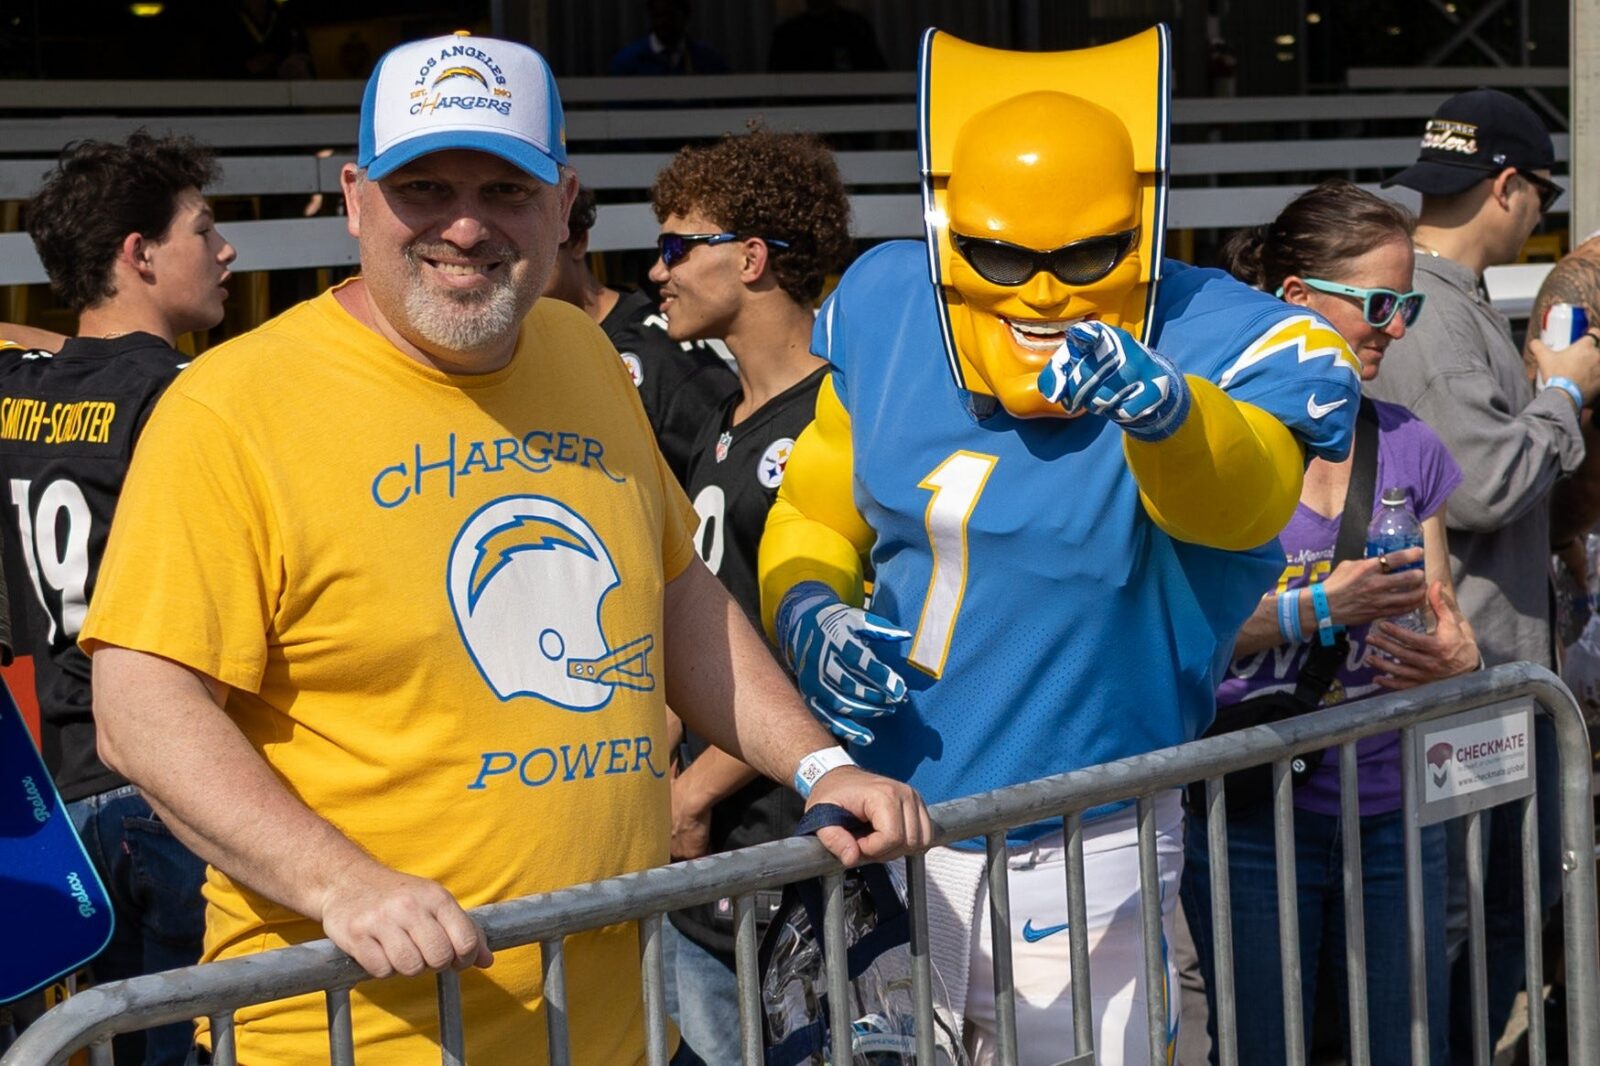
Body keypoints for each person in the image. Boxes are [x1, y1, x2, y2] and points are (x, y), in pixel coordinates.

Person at [78, 33, 929, 1065]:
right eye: (423, 187)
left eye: (506, 189)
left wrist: (820, 764)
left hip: (613, 1028)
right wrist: (341, 883)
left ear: (562, 205)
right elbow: (142, 708)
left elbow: (675, 595)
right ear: (354, 199)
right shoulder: (232, 408)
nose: (466, 225)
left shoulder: (580, 354)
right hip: (358, 1035)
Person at [756, 28, 1362, 1064]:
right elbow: (817, 504)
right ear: (950, 236)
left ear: (1140, 229)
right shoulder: (889, 303)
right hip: (885, 824)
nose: (1041, 293)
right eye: (1001, 257)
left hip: (1083, 839)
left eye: (1083, 257)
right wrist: (808, 606)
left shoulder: (1228, 334)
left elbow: (1249, 498)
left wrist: (1173, 416)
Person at [1181, 179, 1481, 1066]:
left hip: (1389, 807)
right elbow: (1186, 633)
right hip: (1247, 809)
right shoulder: (1214, 446)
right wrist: (1319, 606)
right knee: (1267, 1044)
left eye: (1408, 306)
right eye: (1380, 305)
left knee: (1404, 1041)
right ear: (1296, 298)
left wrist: (1456, 658)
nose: (1396, 328)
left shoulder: (1409, 443)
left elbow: (1441, 620)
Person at [1362, 88, 1600, 1062]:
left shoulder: (1446, 305)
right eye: (1543, 194)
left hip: (1490, 676)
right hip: (1461, 681)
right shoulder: (1431, 317)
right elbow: (1485, 483)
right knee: (1459, 921)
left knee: (1496, 912)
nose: (1541, 214)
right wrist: (1563, 390)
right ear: (1507, 185)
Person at [4, 131, 235, 1066]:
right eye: (203, 231)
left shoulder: (17, 393)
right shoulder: (193, 399)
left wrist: (69, 346)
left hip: (67, 794)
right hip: (179, 782)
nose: (226, 252)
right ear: (138, 253)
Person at [642, 128, 854, 1062]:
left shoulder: (840, 419)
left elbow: (823, 650)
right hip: (705, 852)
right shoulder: (719, 419)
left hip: (782, 847)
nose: (658, 271)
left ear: (753, 257)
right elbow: (695, 611)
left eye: (677, 245)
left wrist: (694, 792)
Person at [542, 184, 736, 485]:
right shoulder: (517, 354)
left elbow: (728, 480)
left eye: (536, 251)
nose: (519, 272)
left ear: (578, 242)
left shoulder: (659, 352)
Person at [609, 0, 729, 76]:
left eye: (671, 15)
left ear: (686, 16)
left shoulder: (708, 61)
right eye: (658, 15)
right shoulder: (627, 62)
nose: (664, 22)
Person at [768, 0, 887, 73]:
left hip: (850, 103)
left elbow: (878, 73)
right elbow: (775, 83)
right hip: (802, 105)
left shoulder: (856, 27)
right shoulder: (788, 33)